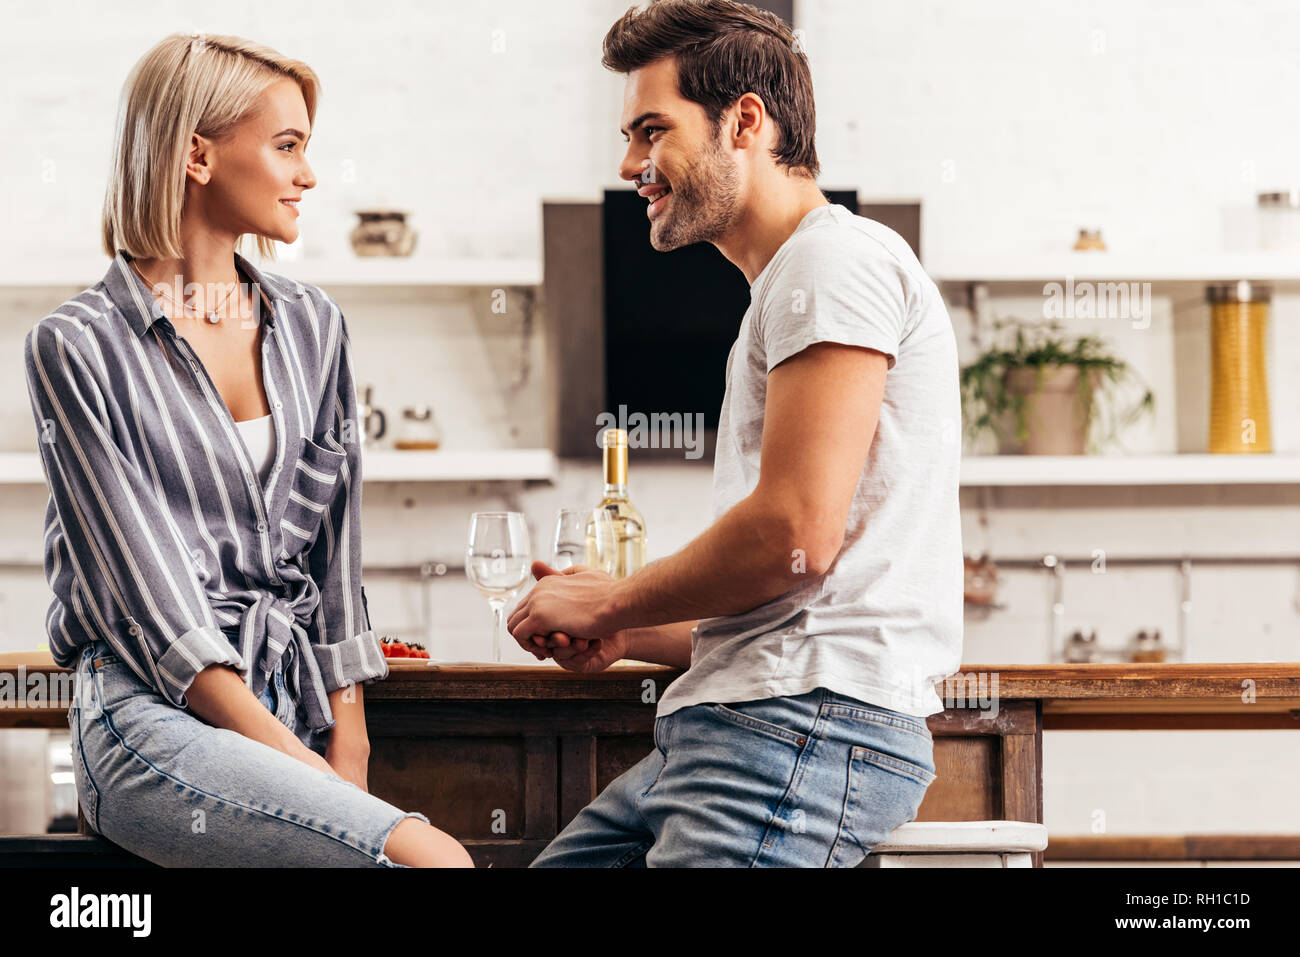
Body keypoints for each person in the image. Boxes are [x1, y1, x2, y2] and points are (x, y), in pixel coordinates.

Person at [508, 0, 964, 867]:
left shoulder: (835, 263)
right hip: (743, 724)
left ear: (744, 120)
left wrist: (610, 597)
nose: (630, 164)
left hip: (797, 729)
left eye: (651, 131)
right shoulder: (790, 287)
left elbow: (793, 537)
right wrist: (627, 632)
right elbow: (793, 603)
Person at [24, 32, 470, 867]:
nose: (309, 175)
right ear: (197, 154)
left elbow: (336, 559)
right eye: (288, 146)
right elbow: (156, 612)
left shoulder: (315, 326)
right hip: (146, 714)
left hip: (284, 693)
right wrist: (307, 770)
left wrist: (350, 746)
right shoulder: (76, 346)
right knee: (432, 859)